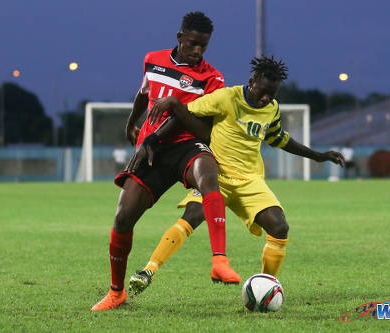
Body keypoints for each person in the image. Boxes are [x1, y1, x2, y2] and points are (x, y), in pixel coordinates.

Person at [127, 56, 345, 295]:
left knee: (279, 226)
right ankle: (148, 271)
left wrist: (318, 156)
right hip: (216, 175)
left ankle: (266, 287)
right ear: (251, 81)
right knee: (192, 215)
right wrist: (153, 139)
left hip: (249, 180)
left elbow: (279, 139)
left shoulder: (271, 109)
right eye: (263, 92)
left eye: (271, 94)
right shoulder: (226, 97)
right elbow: (183, 113)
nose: (266, 99)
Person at [91, 11, 240, 312]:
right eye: (194, 44)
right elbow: (144, 92)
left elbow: (205, 131)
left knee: (208, 175)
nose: (198, 51)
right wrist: (132, 122)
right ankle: (116, 292)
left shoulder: (213, 78)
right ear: (180, 37)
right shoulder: (153, 59)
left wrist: (174, 107)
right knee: (123, 217)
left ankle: (220, 261)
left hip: (187, 144)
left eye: (204, 46)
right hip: (151, 151)